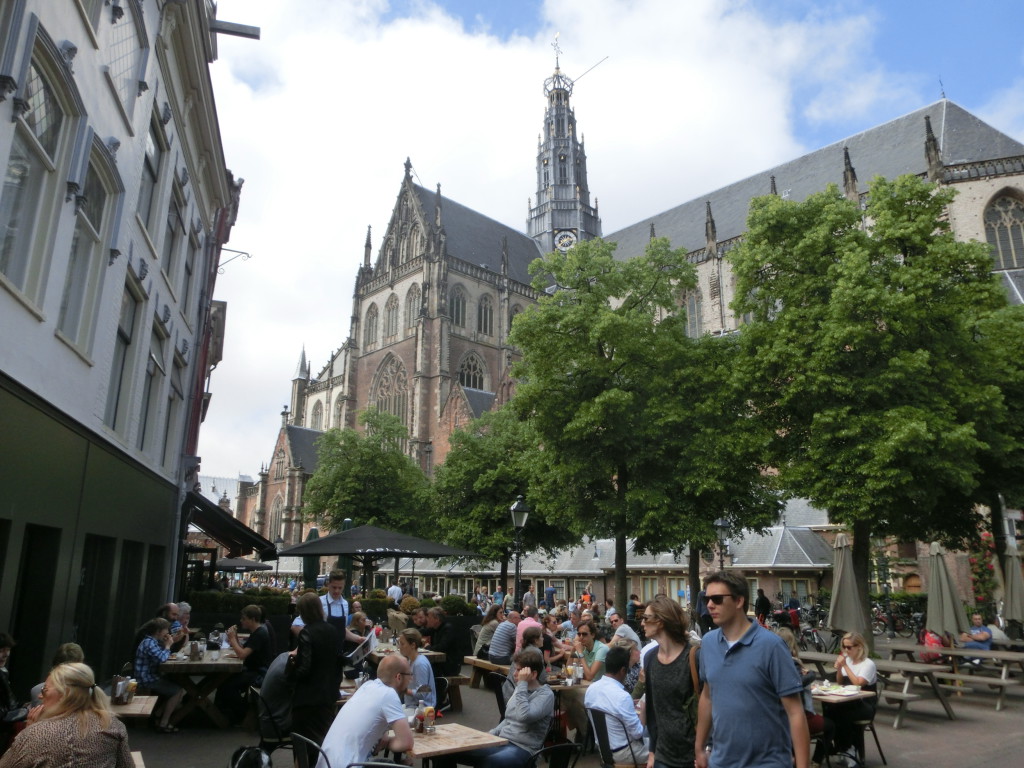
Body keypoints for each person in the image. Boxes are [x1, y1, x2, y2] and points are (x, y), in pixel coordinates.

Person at [695, 572, 808, 768]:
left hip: (767, 763)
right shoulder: (708, 643)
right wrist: (699, 748)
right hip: (720, 762)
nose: (709, 605)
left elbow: (795, 712)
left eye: (717, 599)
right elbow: (707, 696)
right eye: (707, 599)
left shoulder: (772, 646)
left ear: (739, 601)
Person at [434, 648, 552, 768]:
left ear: (533, 674)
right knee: (445, 751)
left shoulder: (545, 695)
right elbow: (509, 718)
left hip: (524, 749)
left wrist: (522, 684)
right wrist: (489, 736)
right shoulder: (520, 688)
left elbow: (524, 716)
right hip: (502, 741)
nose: (515, 674)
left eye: (519, 671)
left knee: (490, 763)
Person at [0, 663, 131, 768]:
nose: (40, 696)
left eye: (44, 690)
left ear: (65, 695)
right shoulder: (112, 724)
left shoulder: (36, 734)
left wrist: (28, 732)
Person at [316, 654, 415, 768]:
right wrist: (387, 743)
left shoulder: (366, 686)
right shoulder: (389, 694)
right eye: (410, 674)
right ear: (398, 677)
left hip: (328, 762)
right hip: (347, 765)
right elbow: (407, 742)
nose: (411, 679)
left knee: (390, 764)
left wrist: (383, 734)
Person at [640, 596, 696, 768]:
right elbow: (652, 708)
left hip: (691, 755)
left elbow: (706, 704)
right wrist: (652, 751)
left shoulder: (693, 658)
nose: (642, 623)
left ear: (661, 622)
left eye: (646, 618)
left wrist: (705, 748)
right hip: (663, 755)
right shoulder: (650, 658)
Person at [291, 593, 340, 763]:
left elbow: (305, 668)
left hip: (308, 697)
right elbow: (338, 661)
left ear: (304, 612)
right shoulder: (332, 630)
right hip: (328, 695)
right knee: (324, 742)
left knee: (304, 745)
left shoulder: (307, 632)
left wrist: (291, 672)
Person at [777, 627, 834, 768]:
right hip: (799, 716)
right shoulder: (792, 662)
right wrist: (810, 675)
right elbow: (795, 683)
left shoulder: (774, 661)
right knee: (831, 725)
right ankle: (816, 761)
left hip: (778, 717)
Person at [585, 645, 648, 765]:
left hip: (604, 751)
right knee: (662, 752)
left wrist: (629, 704)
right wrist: (643, 711)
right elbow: (638, 733)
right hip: (625, 753)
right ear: (623, 670)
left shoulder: (590, 690)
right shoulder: (622, 696)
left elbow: (608, 708)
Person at [825, 632, 876, 765]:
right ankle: (842, 748)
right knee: (829, 710)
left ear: (859, 646)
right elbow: (840, 681)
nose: (846, 650)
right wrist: (839, 668)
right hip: (847, 701)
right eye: (844, 647)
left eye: (849, 647)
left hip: (864, 704)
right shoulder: (847, 661)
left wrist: (846, 666)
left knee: (841, 713)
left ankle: (849, 749)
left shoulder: (867, 664)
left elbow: (858, 683)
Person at [217, 605, 273, 724]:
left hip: (258, 673)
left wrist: (232, 639)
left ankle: (243, 713)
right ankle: (222, 712)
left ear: (252, 619)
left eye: (243, 618)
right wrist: (235, 637)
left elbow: (242, 654)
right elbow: (244, 650)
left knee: (227, 686)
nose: (241, 621)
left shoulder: (259, 634)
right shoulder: (257, 632)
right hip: (253, 669)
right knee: (221, 680)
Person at [132, 618, 184, 732]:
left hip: (151, 676)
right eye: (166, 631)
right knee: (177, 691)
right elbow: (161, 658)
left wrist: (171, 641)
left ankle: (157, 714)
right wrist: (168, 646)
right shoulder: (148, 643)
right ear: (158, 631)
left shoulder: (152, 641)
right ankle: (163, 723)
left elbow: (159, 654)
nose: (167, 633)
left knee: (178, 685)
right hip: (146, 680)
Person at [398, 628, 436, 708]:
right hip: (411, 705)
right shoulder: (410, 661)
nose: (399, 647)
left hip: (421, 709)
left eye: (402, 644)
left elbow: (422, 693)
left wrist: (404, 690)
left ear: (413, 645)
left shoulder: (420, 664)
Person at [424, 607, 462, 676]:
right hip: (441, 663)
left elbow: (441, 647)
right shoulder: (435, 628)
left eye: (429, 618)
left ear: (437, 619)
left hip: (450, 665)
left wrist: (428, 647)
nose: (427, 620)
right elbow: (423, 632)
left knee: (424, 669)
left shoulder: (448, 629)